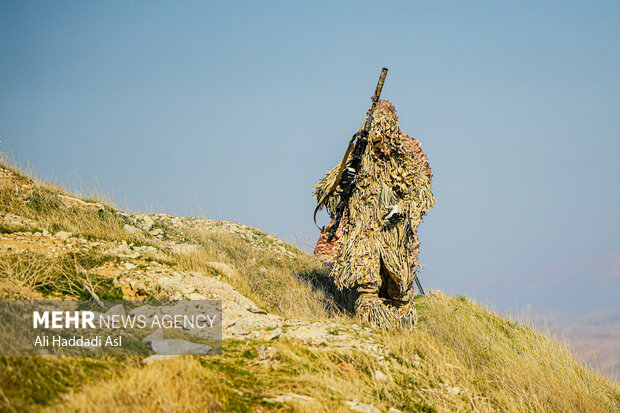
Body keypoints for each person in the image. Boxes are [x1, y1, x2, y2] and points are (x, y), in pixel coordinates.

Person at [313, 100, 435, 328]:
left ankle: (403, 333)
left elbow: (422, 192)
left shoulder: (408, 152)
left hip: (395, 236)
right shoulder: (359, 155)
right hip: (365, 233)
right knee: (367, 286)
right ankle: (371, 329)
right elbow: (328, 195)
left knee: (398, 288)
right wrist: (342, 181)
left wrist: (402, 209)